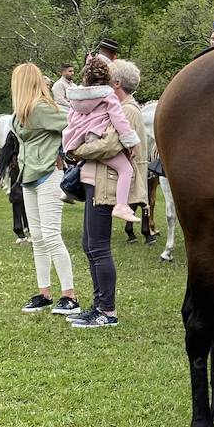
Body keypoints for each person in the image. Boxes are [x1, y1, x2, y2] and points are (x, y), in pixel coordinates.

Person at [71, 58, 148, 328]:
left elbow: (110, 146)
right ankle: (97, 305)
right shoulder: (107, 107)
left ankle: (107, 311)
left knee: (99, 247)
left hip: (109, 185)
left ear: (116, 84)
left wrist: (74, 149)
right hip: (96, 181)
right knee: (89, 244)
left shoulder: (127, 110)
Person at [10, 62, 80, 316]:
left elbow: (72, 121)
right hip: (29, 176)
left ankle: (69, 295)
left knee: (50, 235)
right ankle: (45, 292)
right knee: (37, 237)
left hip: (48, 173)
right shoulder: (22, 112)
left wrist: (64, 150)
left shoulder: (41, 109)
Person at [63, 56, 141, 225]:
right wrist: (131, 142)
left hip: (80, 137)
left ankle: (68, 190)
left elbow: (71, 118)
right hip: (96, 135)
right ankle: (121, 206)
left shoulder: (76, 98)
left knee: (84, 161)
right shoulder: (108, 96)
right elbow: (119, 119)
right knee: (126, 169)